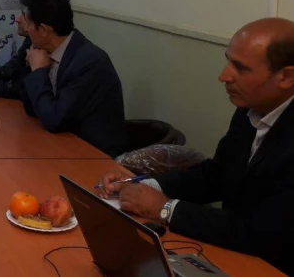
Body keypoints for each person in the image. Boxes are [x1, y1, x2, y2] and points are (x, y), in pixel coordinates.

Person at [98, 18, 294, 275]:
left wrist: (166, 209)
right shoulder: (251, 108)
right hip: (238, 253)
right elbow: (217, 174)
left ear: (286, 77)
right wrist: (145, 185)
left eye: (241, 68)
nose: (224, 76)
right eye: (228, 61)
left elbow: (264, 232)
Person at [17, 0, 126, 157]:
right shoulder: (48, 51)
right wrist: (31, 67)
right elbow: (33, 109)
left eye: (28, 22)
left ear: (43, 30)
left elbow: (54, 120)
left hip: (94, 158)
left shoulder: (89, 62)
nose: (25, 27)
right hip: (63, 146)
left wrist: (38, 71)